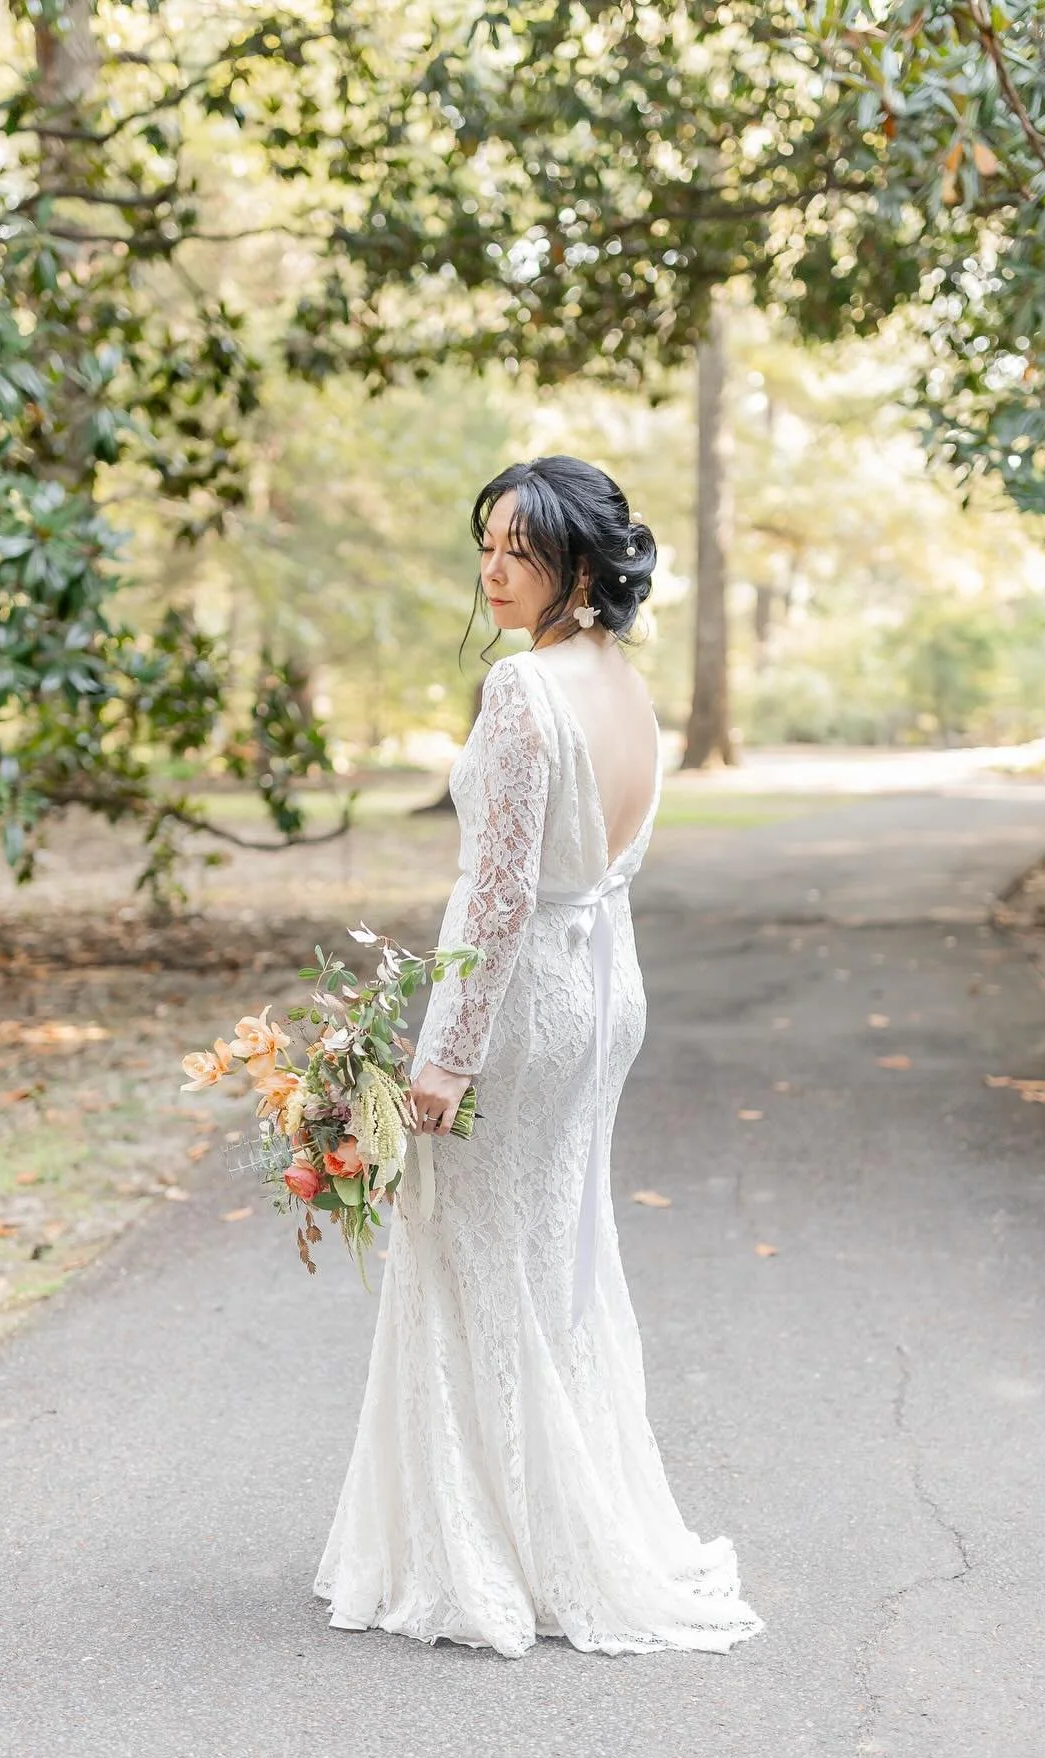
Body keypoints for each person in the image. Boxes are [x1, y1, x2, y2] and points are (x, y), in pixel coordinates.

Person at [315, 455, 764, 1658]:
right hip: (605, 994)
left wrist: (441, 1060)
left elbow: (497, 893)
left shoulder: (525, 691)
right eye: (489, 543)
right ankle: (562, 1515)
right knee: (558, 1256)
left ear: (583, 565)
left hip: (523, 1014)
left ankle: (494, 1549)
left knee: (473, 1256)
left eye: (522, 548)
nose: (494, 568)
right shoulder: (622, 685)